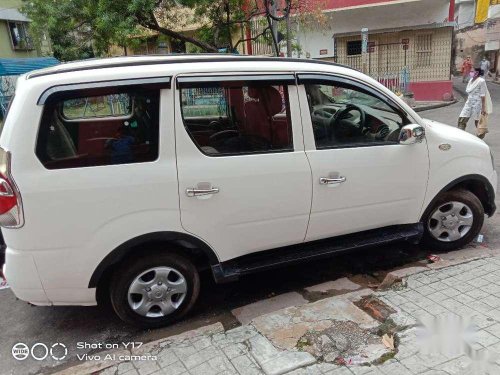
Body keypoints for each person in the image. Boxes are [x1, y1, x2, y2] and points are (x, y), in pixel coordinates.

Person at [458, 67, 493, 139]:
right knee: (462, 117)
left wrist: (483, 108)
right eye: (471, 71)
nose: (471, 72)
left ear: (477, 73)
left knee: (478, 121)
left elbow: (483, 95)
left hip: (478, 103)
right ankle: (460, 135)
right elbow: (469, 92)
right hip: (469, 102)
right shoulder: (471, 80)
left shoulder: (481, 81)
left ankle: (480, 137)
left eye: (472, 71)